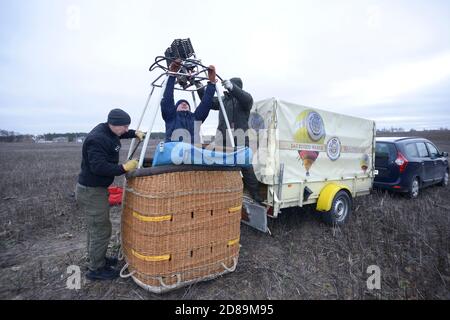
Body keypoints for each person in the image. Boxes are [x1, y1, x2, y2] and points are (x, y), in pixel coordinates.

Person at [75, 108, 145, 280]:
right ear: (112, 124)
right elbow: (98, 167)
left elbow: (120, 134)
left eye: (128, 126)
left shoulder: (108, 130)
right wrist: (123, 168)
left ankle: (98, 259)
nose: (125, 129)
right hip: (91, 192)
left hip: (95, 190)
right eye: (124, 126)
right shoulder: (97, 139)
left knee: (96, 228)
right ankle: (96, 270)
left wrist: (133, 133)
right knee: (101, 230)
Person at [197, 77, 263, 203]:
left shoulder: (245, 101)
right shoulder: (223, 101)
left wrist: (232, 88)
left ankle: (255, 194)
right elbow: (208, 101)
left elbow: (246, 98)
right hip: (222, 139)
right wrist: (199, 87)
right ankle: (221, 190)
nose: (228, 87)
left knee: (246, 166)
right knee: (220, 163)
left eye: (232, 85)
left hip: (240, 138)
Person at [161, 59, 217, 143]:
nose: (184, 104)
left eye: (186, 104)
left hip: (192, 153)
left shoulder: (195, 118)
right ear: (175, 108)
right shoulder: (171, 117)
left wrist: (212, 84)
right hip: (174, 153)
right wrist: (172, 75)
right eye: (181, 103)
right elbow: (168, 98)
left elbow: (206, 103)